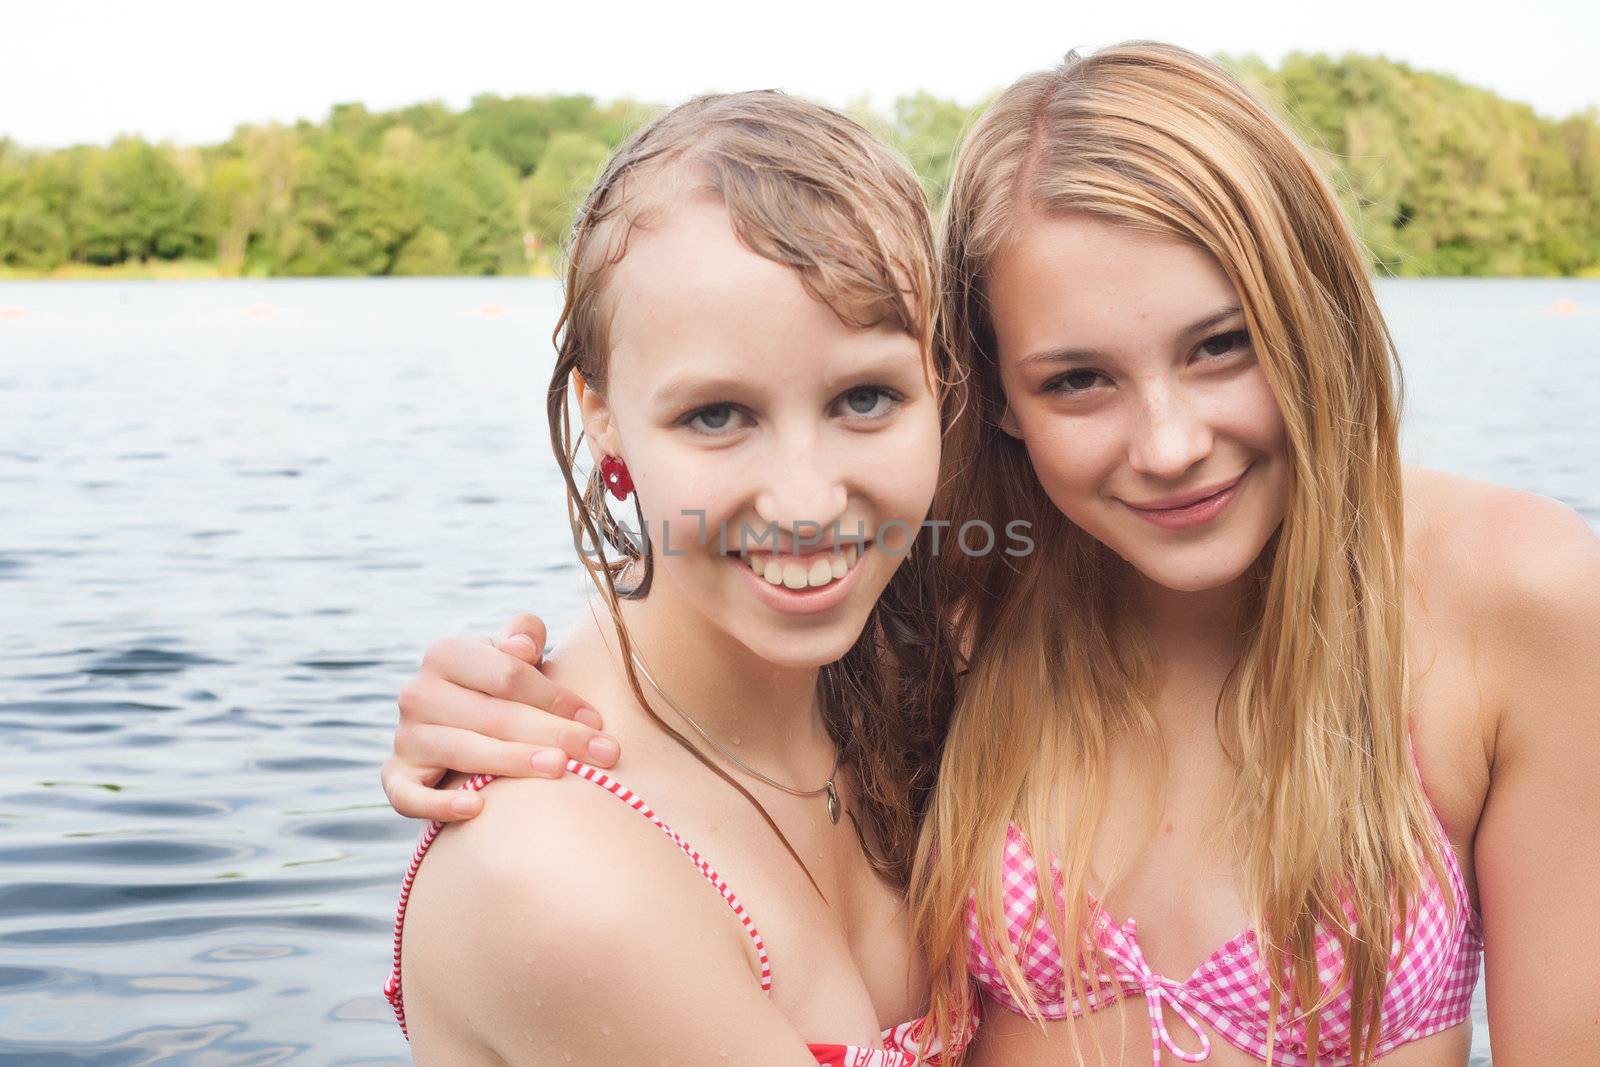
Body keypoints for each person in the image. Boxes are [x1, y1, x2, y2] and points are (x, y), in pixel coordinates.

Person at [384, 45, 1600, 1065]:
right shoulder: (962, 602)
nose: (1171, 444)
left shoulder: (1515, 594)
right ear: (996, 391)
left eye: (1224, 345)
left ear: (1311, 306)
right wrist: (481, 712)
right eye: (1075, 377)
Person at [383, 90, 975, 1065]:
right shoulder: (560, 877)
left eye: (864, 396)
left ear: (938, 383)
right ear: (602, 412)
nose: (806, 500)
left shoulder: (923, 677)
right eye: (716, 415)